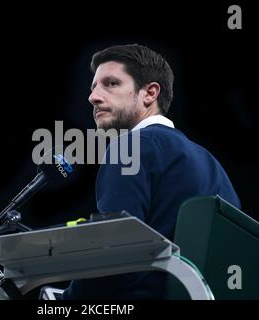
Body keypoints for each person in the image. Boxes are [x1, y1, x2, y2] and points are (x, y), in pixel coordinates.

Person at [62, 44, 241, 299]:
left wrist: (65, 300)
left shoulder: (130, 147)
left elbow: (113, 255)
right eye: (93, 88)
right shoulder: (213, 165)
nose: (94, 97)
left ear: (150, 93)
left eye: (111, 84)